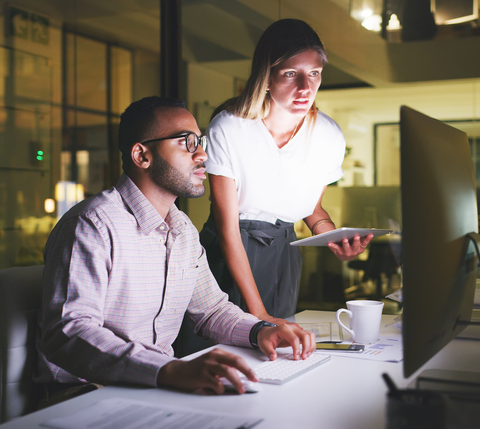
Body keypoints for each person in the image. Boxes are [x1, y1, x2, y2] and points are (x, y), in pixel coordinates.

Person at [35, 96, 316, 404]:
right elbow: (69, 331)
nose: (202, 154)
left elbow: (212, 311)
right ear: (142, 155)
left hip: (155, 388)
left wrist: (262, 330)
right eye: (187, 142)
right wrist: (169, 369)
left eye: (201, 141)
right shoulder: (92, 224)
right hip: (86, 395)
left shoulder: (181, 229)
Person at [202, 19, 373, 327]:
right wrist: (260, 315)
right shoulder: (229, 127)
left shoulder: (328, 135)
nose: (305, 88)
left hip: (285, 251)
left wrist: (335, 240)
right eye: (291, 74)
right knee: (225, 347)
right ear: (265, 76)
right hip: (231, 250)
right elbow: (228, 229)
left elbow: (313, 210)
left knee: (276, 353)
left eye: (314, 74)